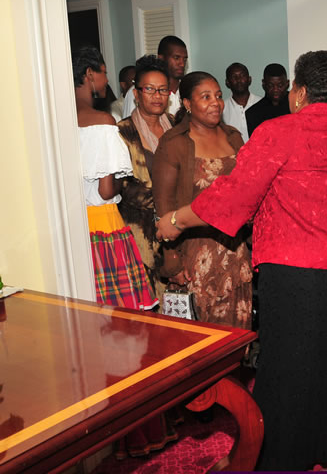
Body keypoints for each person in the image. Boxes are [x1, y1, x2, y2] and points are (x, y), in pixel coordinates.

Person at [155, 51, 327, 474]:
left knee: (289, 367)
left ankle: (287, 472)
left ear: (298, 92)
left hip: (299, 269)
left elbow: (236, 195)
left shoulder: (278, 130)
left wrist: (177, 219)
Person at [151, 71, 252, 329]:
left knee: (236, 335)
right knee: (200, 339)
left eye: (218, 96)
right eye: (205, 96)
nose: (215, 103)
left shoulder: (233, 137)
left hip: (235, 253)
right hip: (195, 256)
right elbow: (163, 208)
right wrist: (172, 261)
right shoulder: (174, 144)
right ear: (187, 103)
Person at [73, 46, 157, 311]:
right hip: (103, 223)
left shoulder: (57, 120)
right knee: (120, 315)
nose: (106, 80)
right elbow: (107, 190)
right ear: (89, 74)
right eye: (103, 73)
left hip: (75, 226)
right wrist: (123, 179)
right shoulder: (102, 122)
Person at [116, 55, 174, 298]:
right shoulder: (122, 131)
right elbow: (124, 187)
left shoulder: (177, 125)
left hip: (178, 231)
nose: (157, 96)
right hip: (140, 235)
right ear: (136, 93)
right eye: (150, 89)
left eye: (162, 90)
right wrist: (169, 208)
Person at [122, 35, 187, 119]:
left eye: (184, 59)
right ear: (161, 58)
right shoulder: (139, 91)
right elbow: (128, 127)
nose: (182, 64)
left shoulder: (186, 89)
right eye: (176, 58)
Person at [245, 62, 290, 137]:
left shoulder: (298, 106)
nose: (275, 90)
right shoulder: (253, 114)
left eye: (280, 85)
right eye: (271, 85)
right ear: (264, 84)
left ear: (287, 84)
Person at [222, 62, 261, 142]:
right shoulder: (221, 109)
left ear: (249, 79)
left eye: (242, 76)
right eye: (234, 77)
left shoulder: (262, 104)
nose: (239, 80)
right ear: (227, 82)